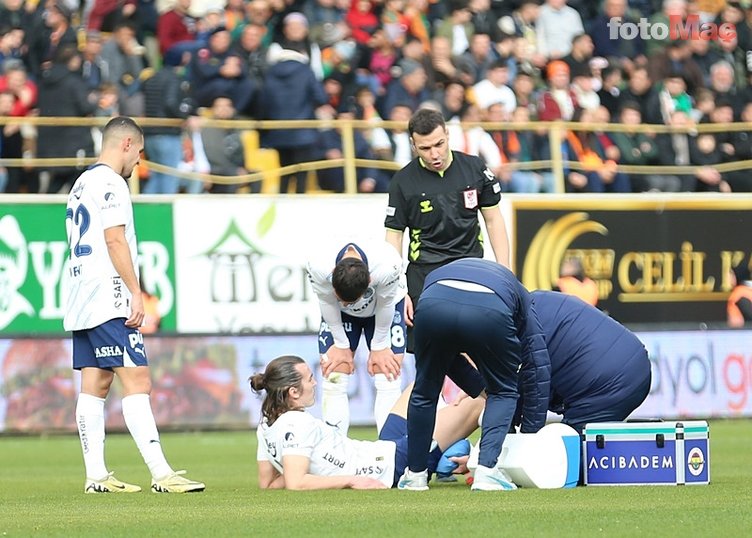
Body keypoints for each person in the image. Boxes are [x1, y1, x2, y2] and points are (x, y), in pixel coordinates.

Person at [64, 117, 204, 494]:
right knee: (138, 378)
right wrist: (135, 291)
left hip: (81, 293)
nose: (139, 160)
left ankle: (96, 476)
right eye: (139, 152)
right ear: (126, 144)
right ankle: (162, 474)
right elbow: (114, 239)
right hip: (108, 294)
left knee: (96, 382)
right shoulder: (112, 182)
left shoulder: (81, 183)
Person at [397, 258, 550, 492]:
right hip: (489, 309)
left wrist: (479, 389)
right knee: (504, 391)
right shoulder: (523, 299)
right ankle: (487, 472)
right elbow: (536, 364)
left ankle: (415, 475)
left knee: (424, 391)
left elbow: (447, 361)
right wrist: (529, 434)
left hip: (433, 303)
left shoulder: (448, 272)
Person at [252, 355, 484, 490]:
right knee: (481, 400)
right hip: (396, 464)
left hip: (381, 449)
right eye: (310, 379)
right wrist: (352, 480)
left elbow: (269, 482)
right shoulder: (296, 423)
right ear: (293, 392)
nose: (314, 384)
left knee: (421, 384)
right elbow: (296, 482)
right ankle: (485, 460)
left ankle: (444, 445)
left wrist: (307, 468)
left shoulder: (265, 426)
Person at [384, 107, 510, 352]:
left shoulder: (474, 168)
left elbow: (494, 220)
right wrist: (398, 289)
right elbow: (394, 236)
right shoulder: (402, 182)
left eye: (439, 144)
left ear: (448, 135)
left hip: (470, 269)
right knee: (430, 357)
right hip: (424, 275)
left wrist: (504, 272)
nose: (434, 154)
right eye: (425, 148)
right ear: (413, 145)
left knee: (477, 350)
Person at [306, 241, 406, 435]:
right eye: (340, 298)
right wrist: (341, 343)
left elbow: (386, 304)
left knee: (388, 373)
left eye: (349, 301)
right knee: (335, 372)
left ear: (370, 281)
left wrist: (379, 346)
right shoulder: (318, 264)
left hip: (382, 308)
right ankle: (333, 448)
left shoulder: (388, 264)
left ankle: (390, 447)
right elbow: (326, 301)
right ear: (332, 273)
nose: (346, 303)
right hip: (339, 315)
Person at [519, 290, 651, 433]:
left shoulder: (516, 328)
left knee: (571, 442)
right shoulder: (538, 299)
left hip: (605, 383)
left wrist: (525, 436)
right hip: (635, 363)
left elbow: (532, 391)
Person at [727, 263, 752, 328]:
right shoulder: (746, 291)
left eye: (731, 274)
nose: (729, 278)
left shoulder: (740, 295)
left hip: (742, 332)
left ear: (737, 275)